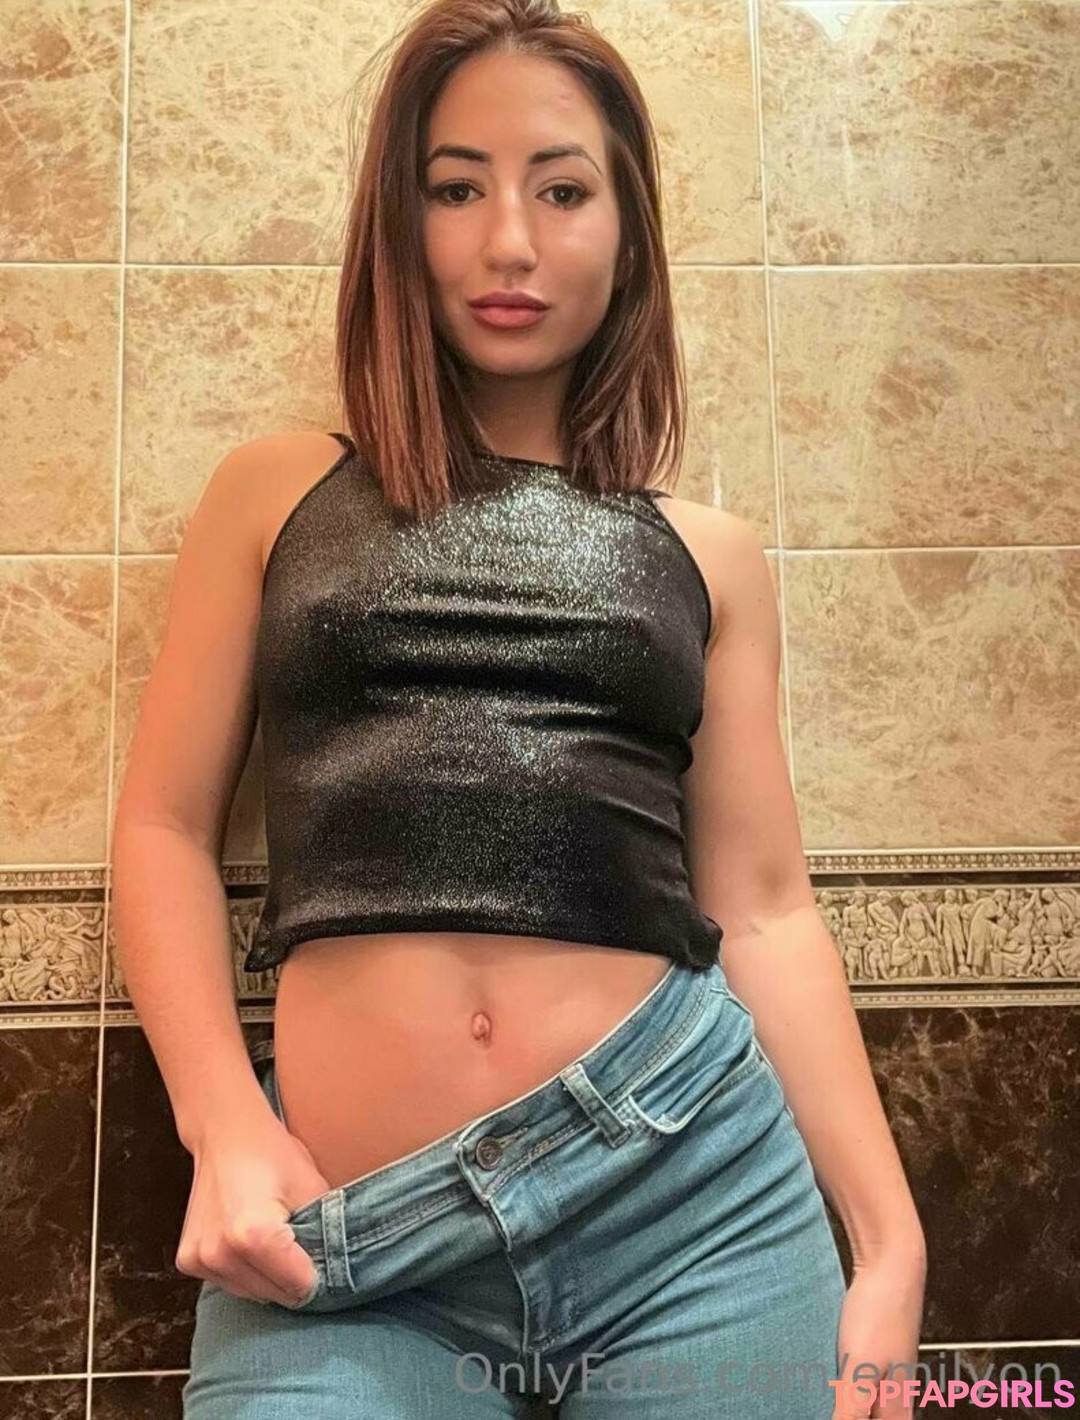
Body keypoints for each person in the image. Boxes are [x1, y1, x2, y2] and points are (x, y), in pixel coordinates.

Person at [111, 2, 926, 1416]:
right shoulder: (273, 496)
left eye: (561, 190)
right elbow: (163, 830)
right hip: (348, 1231)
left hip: (694, 1209)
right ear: (399, 221)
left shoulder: (709, 556)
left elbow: (764, 907)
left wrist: (892, 1246)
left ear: (627, 233)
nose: (507, 241)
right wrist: (223, 1124)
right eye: (456, 188)